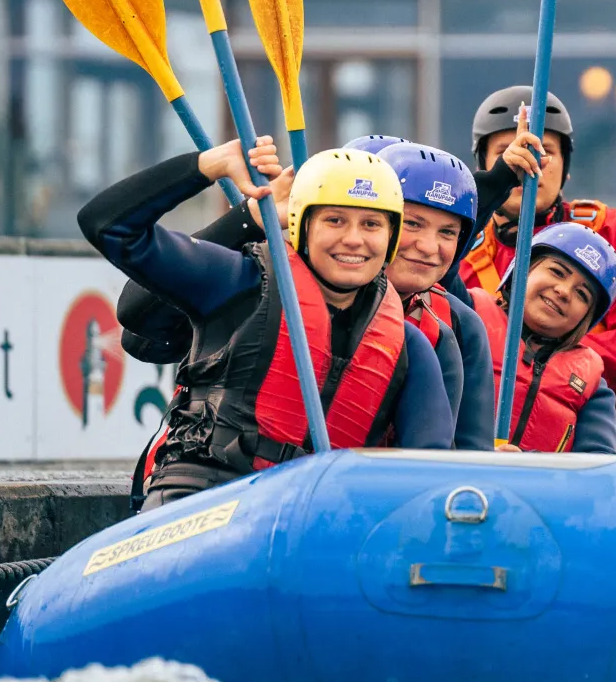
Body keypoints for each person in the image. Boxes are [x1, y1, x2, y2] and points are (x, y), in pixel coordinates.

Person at [78, 139, 453, 510]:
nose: (353, 240)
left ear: (390, 238)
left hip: (311, 522)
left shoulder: (409, 347)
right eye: (334, 220)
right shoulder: (238, 281)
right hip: (203, 500)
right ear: (301, 226)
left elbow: (430, 476)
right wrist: (208, 166)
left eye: (371, 224)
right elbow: (109, 225)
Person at [459, 85, 616, 470]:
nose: (531, 162)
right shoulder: (460, 254)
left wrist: (539, 355)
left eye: (546, 152)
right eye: (511, 151)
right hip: (482, 455)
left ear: (566, 167)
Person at [373, 141, 495, 451]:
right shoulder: (295, 291)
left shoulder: (454, 328)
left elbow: (468, 453)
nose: (429, 247)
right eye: (413, 224)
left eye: (448, 232)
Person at [471, 221, 616, 454]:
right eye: (557, 272)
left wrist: (531, 464)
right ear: (522, 269)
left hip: (534, 488)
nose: (563, 291)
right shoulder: (467, 317)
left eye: (582, 294)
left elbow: (596, 465)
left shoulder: (593, 387)